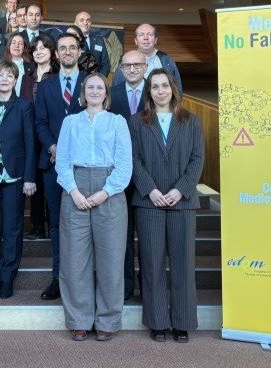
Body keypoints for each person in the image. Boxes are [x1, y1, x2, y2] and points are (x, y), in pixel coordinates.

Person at [55, 72, 132, 342]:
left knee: (111, 259)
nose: (95, 91)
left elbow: (125, 164)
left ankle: (108, 320)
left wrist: (104, 192)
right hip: (74, 189)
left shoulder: (117, 122)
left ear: (106, 93)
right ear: (83, 92)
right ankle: (79, 319)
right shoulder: (70, 122)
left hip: (110, 190)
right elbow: (62, 161)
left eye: (100, 87)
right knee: (74, 259)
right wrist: (74, 191)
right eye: (90, 87)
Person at [129, 68, 204, 344]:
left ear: (173, 88)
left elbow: (197, 159)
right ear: (148, 92)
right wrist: (150, 190)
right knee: (152, 263)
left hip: (182, 202)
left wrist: (179, 190)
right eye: (155, 86)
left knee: (183, 263)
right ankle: (158, 321)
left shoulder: (191, 121)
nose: (160, 91)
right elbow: (133, 160)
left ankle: (182, 322)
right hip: (149, 202)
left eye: (165, 85)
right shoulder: (137, 122)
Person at [34, 34, 86, 301]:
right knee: (56, 223)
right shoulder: (46, 85)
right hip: (53, 163)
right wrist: (53, 147)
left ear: (79, 52)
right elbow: (40, 122)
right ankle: (58, 278)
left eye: (72, 48)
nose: (67, 52)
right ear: (56, 54)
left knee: (82, 224)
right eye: (62, 48)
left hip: (85, 165)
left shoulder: (91, 83)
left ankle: (81, 279)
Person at [0, 60, 36, 299]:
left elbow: (30, 143)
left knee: (12, 229)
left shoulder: (24, 106)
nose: (4, 79)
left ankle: (8, 277)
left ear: (15, 80)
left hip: (15, 177)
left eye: (9, 76)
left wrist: (30, 177)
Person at [110, 50, 148, 301]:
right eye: (127, 65)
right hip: (118, 175)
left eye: (137, 65)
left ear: (145, 66)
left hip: (149, 175)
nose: (132, 69)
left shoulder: (156, 92)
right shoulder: (111, 95)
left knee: (147, 236)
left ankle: (148, 287)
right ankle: (124, 286)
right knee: (122, 234)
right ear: (121, 69)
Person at [24, 34, 59, 240]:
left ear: (51, 51)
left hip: (51, 135)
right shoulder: (27, 77)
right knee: (35, 180)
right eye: (35, 49)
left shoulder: (57, 75)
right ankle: (37, 226)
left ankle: (53, 224)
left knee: (51, 183)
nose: (39, 52)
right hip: (31, 135)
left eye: (43, 48)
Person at [114, 23, 182, 91]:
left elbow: (177, 89)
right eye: (141, 35)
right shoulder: (126, 60)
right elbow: (116, 88)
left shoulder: (166, 60)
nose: (146, 38)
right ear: (135, 41)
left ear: (155, 40)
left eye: (150, 34)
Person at [0, 32, 32, 98]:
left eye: (20, 43)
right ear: (9, 46)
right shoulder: (1, 65)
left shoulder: (31, 66)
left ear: (24, 47)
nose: (17, 46)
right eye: (13, 43)